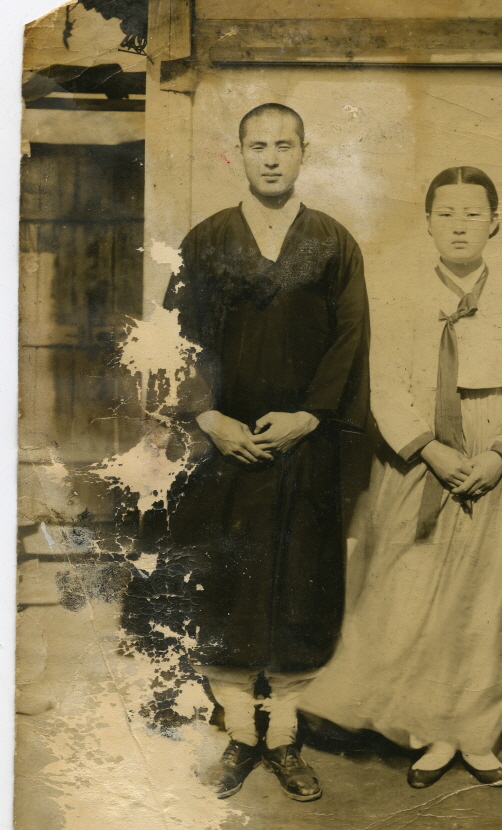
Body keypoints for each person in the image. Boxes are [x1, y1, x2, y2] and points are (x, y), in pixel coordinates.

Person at [123, 103, 369, 802]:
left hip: (304, 448)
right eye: (258, 145)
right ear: (239, 153)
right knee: (225, 590)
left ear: (304, 152)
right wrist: (209, 418)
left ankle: (283, 737)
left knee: (298, 588)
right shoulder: (206, 241)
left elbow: (351, 338)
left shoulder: (333, 242)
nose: (271, 157)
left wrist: (310, 416)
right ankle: (238, 731)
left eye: (284, 145)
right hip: (221, 451)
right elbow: (173, 341)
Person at [300, 166, 502, 789]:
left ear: (495, 223)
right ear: (427, 223)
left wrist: (500, 455)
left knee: (487, 594)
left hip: (497, 447)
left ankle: (476, 733)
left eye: (473, 214)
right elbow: (383, 382)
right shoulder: (399, 292)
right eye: (446, 214)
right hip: (421, 451)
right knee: (414, 589)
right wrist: (430, 451)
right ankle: (431, 734)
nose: (460, 226)